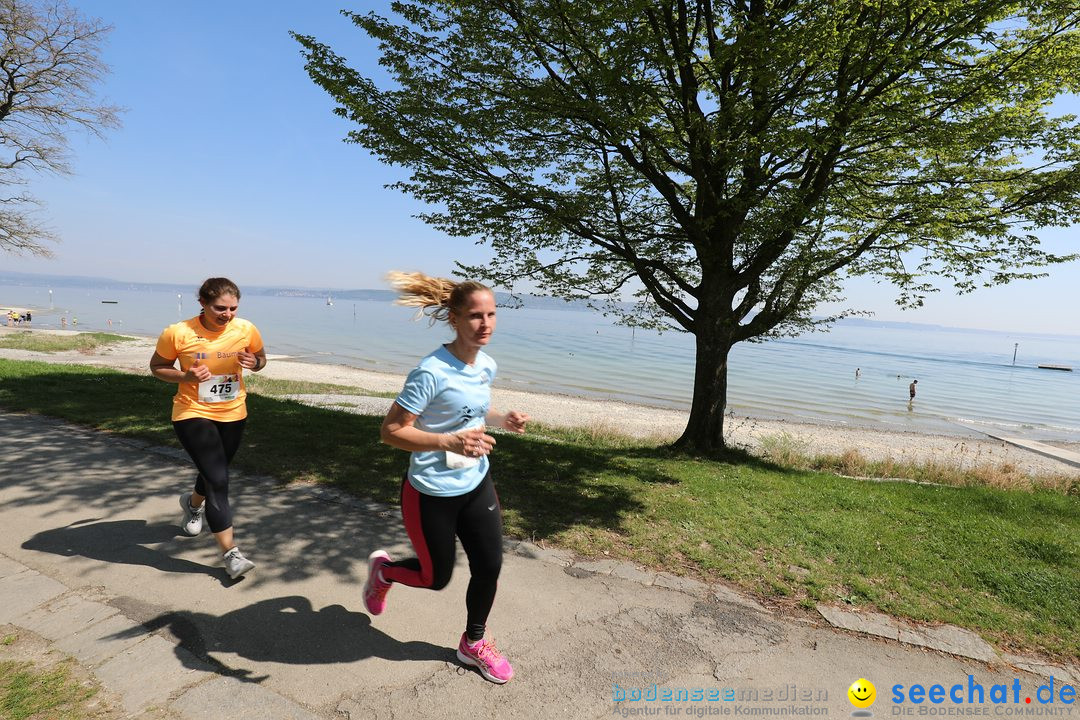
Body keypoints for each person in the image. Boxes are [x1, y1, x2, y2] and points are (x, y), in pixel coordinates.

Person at [364, 271, 529, 684]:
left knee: (489, 565)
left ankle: (474, 642)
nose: (486, 323)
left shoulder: (486, 363)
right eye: (476, 316)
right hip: (430, 493)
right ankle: (384, 572)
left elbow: (469, 410)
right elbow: (391, 432)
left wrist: (500, 418)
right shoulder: (431, 372)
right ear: (454, 319)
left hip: (475, 484)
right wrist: (447, 444)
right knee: (434, 578)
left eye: (492, 314)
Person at [149, 277, 267, 579]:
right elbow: (158, 367)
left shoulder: (246, 329)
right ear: (202, 303)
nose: (227, 314)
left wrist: (254, 362)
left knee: (215, 471)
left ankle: (192, 504)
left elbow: (261, 359)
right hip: (192, 411)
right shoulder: (178, 333)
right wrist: (186, 377)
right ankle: (231, 554)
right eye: (220, 308)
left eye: (233, 308)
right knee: (218, 479)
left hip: (233, 411)